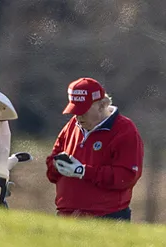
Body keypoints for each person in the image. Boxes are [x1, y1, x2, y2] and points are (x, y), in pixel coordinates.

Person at [45, 77, 144, 221]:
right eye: (75, 110)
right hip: (66, 215)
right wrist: (57, 166)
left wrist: (83, 171)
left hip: (107, 217)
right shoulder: (72, 125)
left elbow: (127, 176)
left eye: (83, 110)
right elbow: (51, 167)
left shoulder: (125, 130)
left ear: (102, 105)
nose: (78, 116)